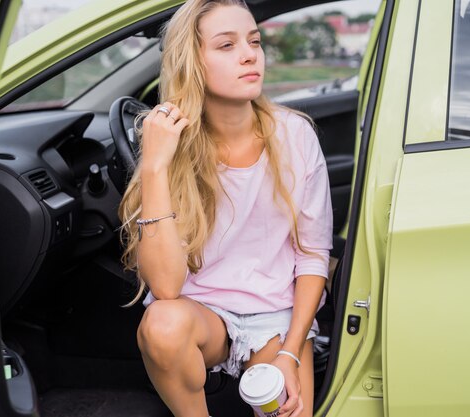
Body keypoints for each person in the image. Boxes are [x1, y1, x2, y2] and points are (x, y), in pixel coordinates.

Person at [118, 1, 333, 416]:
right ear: (192, 61)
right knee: (162, 323)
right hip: (205, 315)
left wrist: (290, 353)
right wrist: (154, 166)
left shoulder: (295, 135)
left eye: (254, 41)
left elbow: (312, 258)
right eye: (226, 45)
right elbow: (164, 288)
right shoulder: (169, 146)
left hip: (276, 315)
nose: (250, 54)